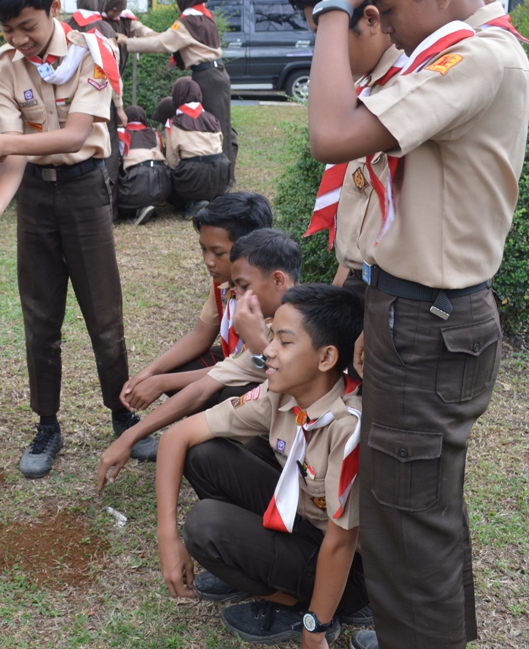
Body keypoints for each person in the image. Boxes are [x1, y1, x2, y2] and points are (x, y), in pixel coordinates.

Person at [306, 0, 529, 649]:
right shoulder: (460, 51)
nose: (389, 25)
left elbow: (332, 133)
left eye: (391, 7)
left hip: (431, 323)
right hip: (415, 315)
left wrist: (334, 11)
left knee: (407, 536)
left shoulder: (476, 55)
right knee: (417, 519)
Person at [0, 0, 154, 478]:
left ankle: (123, 413)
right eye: (8, 29)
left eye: (28, 26)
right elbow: (16, 154)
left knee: (104, 318)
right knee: (40, 321)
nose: (19, 39)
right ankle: (47, 424)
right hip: (37, 200)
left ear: (54, 8)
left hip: (85, 192)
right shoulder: (5, 66)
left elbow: (75, 135)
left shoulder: (93, 52)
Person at [154, 284, 369, 646]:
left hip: (349, 572)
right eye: (271, 337)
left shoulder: (349, 427)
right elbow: (178, 436)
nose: (266, 351)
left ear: (326, 358)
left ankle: (303, 609)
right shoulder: (281, 393)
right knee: (203, 455)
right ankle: (258, 571)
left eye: (284, 342)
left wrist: (314, 633)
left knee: (206, 526)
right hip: (302, 521)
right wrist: (166, 538)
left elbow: (341, 543)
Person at [99, 228, 300, 489]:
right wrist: (130, 436)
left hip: (315, 476)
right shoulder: (269, 324)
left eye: (244, 287)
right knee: (199, 453)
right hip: (287, 456)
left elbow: (301, 387)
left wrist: (258, 343)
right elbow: (200, 388)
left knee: (230, 396)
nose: (238, 296)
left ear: (277, 280)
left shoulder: (313, 326)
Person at [288, 0, 404, 299]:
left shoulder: (408, 88)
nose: (320, 53)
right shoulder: (369, 87)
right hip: (362, 278)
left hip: (394, 290)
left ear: (370, 19)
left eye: (327, 34)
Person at [121, 192, 274, 400]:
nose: (208, 261)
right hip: (233, 364)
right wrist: (151, 371)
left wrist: (161, 381)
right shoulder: (222, 282)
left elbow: (246, 367)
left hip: (261, 376)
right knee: (175, 370)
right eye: (203, 249)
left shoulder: (268, 294)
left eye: (218, 253)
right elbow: (201, 334)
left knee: (226, 395)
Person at [118, 0, 236, 183]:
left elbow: (162, 43)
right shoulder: (205, 17)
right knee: (220, 124)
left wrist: (126, 42)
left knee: (215, 127)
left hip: (207, 77)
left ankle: (223, 179)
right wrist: (137, 27)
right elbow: (168, 37)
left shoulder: (188, 23)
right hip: (217, 75)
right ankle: (222, 174)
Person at [66, 0, 127, 216]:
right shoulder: (106, 29)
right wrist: (120, 107)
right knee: (105, 151)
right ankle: (108, 208)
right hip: (102, 102)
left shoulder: (66, 25)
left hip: (71, 102)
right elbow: (113, 74)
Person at [156, 78, 230, 218]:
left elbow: (172, 160)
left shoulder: (174, 123)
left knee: (168, 171)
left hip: (193, 177)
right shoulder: (212, 119)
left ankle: (192, 201)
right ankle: (209, 199)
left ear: (177, 96)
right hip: (221, 175)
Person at [115, 105, 170, 225]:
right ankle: (148, 204)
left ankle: (138, 209)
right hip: (162, 182)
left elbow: (116, 161)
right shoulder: (155, 133)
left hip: (138, 179)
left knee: (119, 199)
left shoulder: (121, 134)